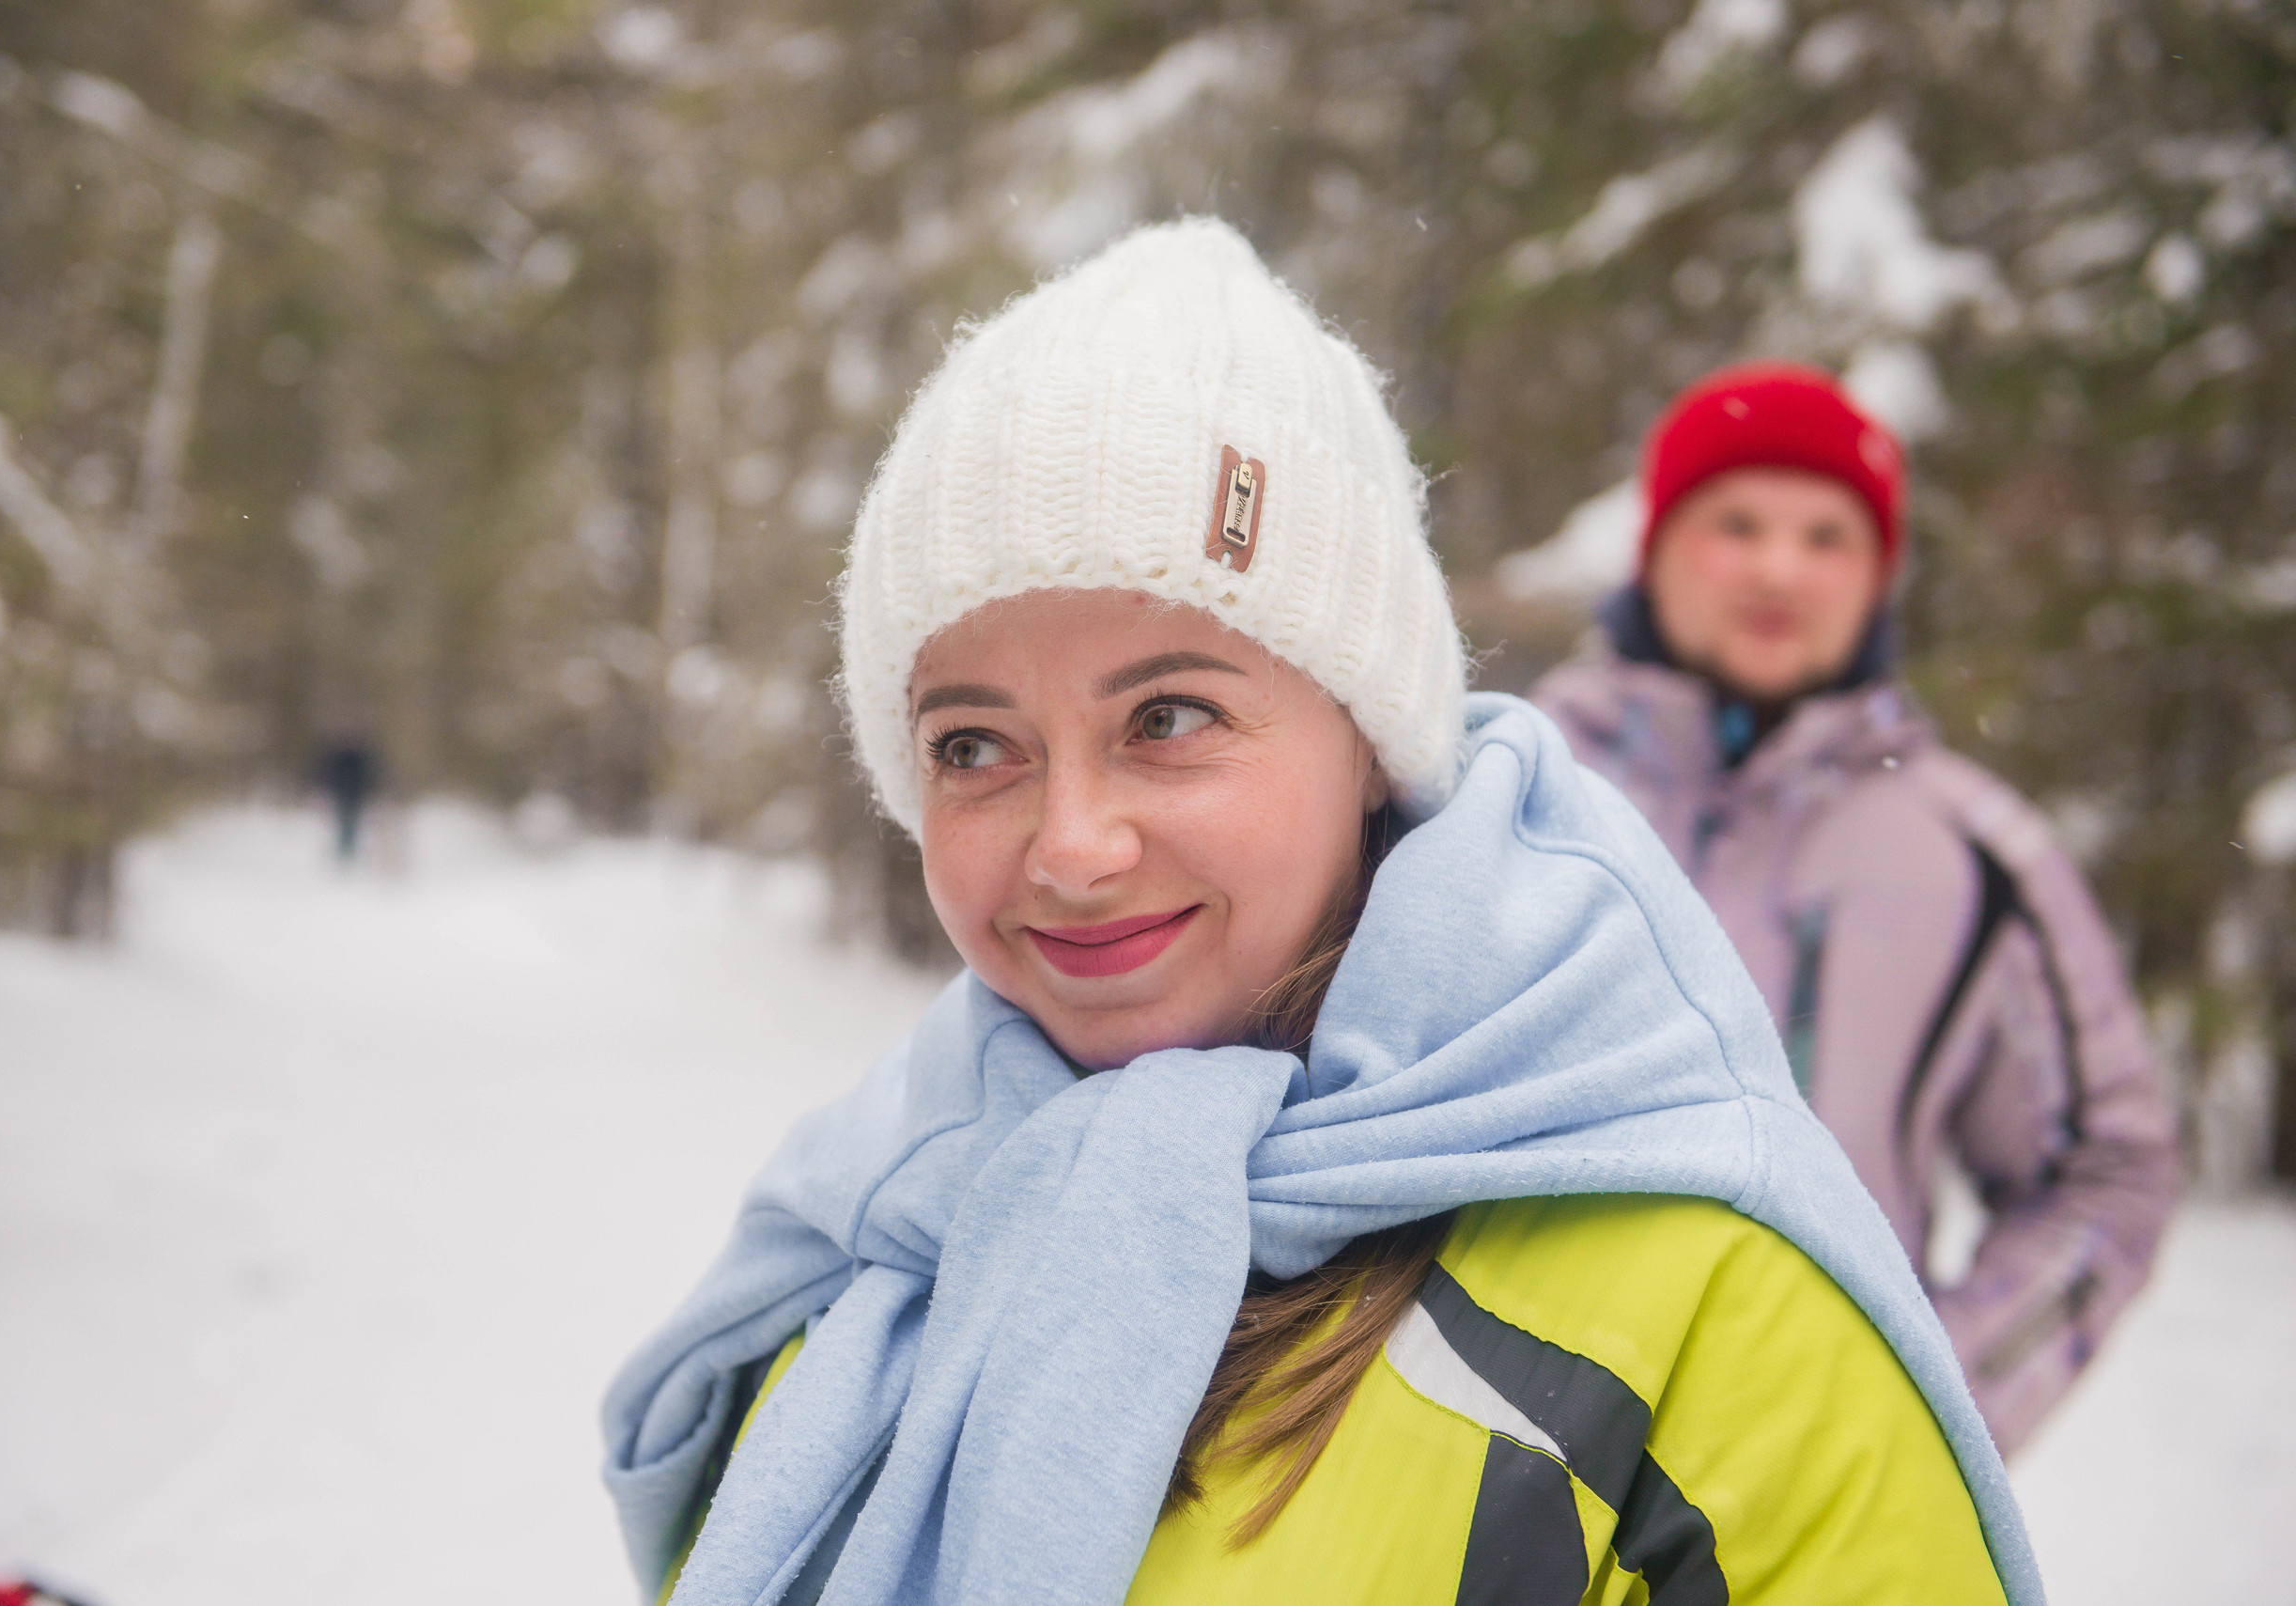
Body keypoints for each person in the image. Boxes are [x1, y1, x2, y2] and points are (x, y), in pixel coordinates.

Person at [603, 224, 2040, 1606]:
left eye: (1168, 716)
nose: (1074, 845)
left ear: (1369, 737)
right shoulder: (878, 1250)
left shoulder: (1703, 1303)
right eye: (975, 746)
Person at [1528, 365, 2178, 1454]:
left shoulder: (1977, 855)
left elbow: (2106, 1172)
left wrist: (1925, 1408)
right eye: (1736, 522)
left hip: (1812, 1505)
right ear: (1656, 547)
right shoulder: (1497, 789)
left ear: (1878, 575)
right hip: (1490, 1466)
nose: (1780, 567)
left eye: (1828, 536)